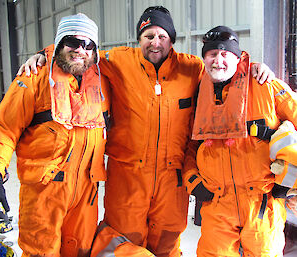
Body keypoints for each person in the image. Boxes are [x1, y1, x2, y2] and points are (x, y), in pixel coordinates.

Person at [17, 7, 274, 257]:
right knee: (122, 241)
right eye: (148, 36)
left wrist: (252, 68)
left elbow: (223, 69)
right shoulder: (117, 61)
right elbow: (80, 52)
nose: (155, 43)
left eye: (162, 36)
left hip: (171, 181)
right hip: (128, 177)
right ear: (139, 39)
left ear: (171, 40)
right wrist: (46, 54)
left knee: (167, 243)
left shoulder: (193, 68)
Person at [0, 13, 110, 257]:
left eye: (88, 44)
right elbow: (5, 127)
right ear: (59, 42)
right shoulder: (34, 77)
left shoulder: (102, 79)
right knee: (41, 252)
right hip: (44, 192)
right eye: (72, 41)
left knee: (80, 250)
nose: (80, 49)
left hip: (86, 193)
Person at [183, 25, 297, 256]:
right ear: (204, 58)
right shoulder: (196, 94)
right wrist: (193, 181)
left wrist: (293, 187)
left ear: (237, 57)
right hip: (217, 204)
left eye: (225, 54)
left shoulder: (266, 85)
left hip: (262, 202)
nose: (218, 61)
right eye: (212, 54)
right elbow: (187, 147)